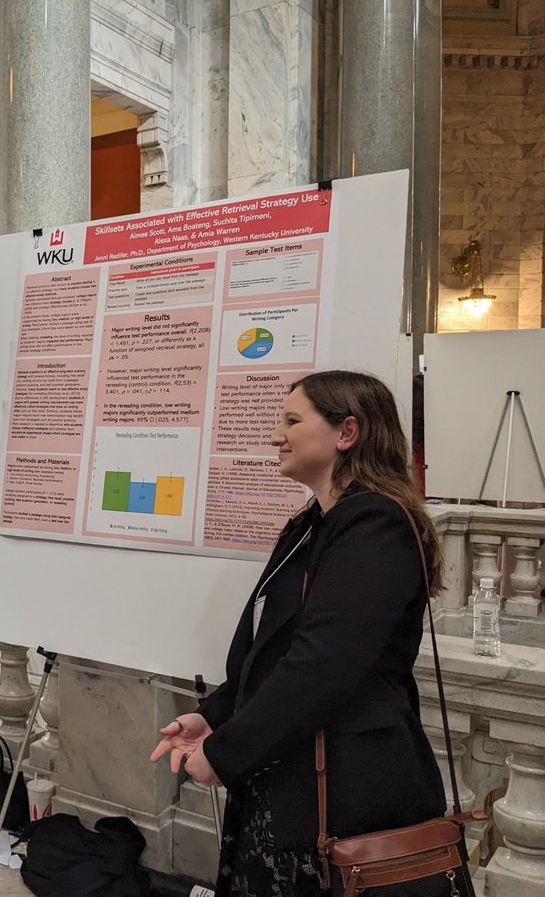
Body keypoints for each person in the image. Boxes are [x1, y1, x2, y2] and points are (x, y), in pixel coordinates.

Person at [150, 370, 447, 897]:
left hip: (348, 789)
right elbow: (279, 651)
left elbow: (322, 667)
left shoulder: (376, 525)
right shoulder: (314, 523)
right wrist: (214, 714)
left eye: (291, 421)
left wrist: (225, 752)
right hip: (295, 775)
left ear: (346, 432)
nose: (275, 435)